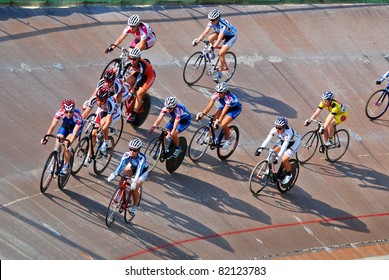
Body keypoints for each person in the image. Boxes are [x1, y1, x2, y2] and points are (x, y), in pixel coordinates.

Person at [192, 8, 238, 81]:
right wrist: (198, 41)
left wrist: (213, 46)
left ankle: (220, 72)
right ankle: (212, 53)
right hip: (221, 33)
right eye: (210, 19)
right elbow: (205, 33)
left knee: (221, 53)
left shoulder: (223, 24)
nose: (211, 22)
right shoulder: (211, 22)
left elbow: (220, 38)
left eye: (213, 20)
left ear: (218, 19)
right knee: (210, 38)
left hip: (231, 36)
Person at [41, 99, 84, 174]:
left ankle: (65, 165)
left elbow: (74, 134)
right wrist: (46, 138)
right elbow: (52, 126)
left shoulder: (77, 116)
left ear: (73, 110)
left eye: (71, 112)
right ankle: (55, 160)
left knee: (66, 144)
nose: (68, 114)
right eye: (66, 112)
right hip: (66, 125)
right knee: (58, 139)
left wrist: (69, 143)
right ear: (63, 110)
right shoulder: (59, 112)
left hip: (75, 128)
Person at [107, 138, 148, 216]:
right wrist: (114, 174)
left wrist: (135, 181)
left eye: (134, 150)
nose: (132, 152)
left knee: (135, 189)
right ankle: (119, 194)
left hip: (142, 171)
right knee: (123, 175)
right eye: (130, 149)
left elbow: (139, 170)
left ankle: (135, 206)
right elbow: (121, 165)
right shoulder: (126, 154)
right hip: (133, 167)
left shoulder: (142, 158)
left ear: (138, 150)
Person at [195, 82, 242, 150]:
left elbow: (224, 111)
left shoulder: (229, 98)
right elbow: (209, 106)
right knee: (213, 120)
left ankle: (227, 140)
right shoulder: (216, 94)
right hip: (224, 106)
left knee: (223, 124)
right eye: (217, 91)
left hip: (234, 109)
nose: (218, 94)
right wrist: (202, 114)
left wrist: (219, 121)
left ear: (225, 92)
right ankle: (211, 137)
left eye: (220, 92)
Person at [255, 117, 301, 185]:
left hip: (294, 143)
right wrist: (260, 149)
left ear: (284, 127)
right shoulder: (274, 130)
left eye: (279, 128)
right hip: (283, 140)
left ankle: (288, 175)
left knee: (284, 159)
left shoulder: (288, 133)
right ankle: (272, 170)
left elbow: (284, 146)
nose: (277, 129)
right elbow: (267, 139)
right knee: (272, 152)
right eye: (276, 127)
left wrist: (278, 158)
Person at [82, 86, 121, 162]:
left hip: (114, 113)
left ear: (106, 99)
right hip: (104, 111)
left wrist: (102, 130)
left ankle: (105, 142)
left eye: (101, 100)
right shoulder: (94, 99)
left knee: (103, 124)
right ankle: (90, 155)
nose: (99, 102)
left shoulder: (110, 103)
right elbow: (86, 113)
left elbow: (108, 120)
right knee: (93, 133)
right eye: (98, 100)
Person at [124, 47, 156, 123]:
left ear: (138, 59)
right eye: (130, 58)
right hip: (139, 74)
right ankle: (130, 100)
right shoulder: (129, 62)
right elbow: (121, 73)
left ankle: (134, 114)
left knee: (139, 94)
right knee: (126, 82)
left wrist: (132, 91)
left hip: (149, 76)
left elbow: (139, 80)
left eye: (134, 59)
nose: (132, 61)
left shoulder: (142, 65)